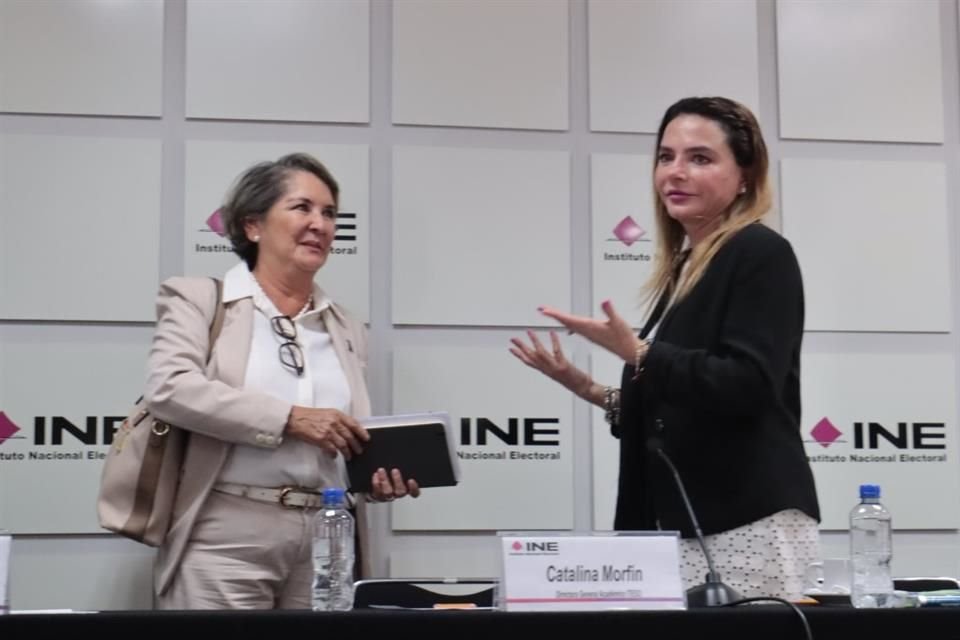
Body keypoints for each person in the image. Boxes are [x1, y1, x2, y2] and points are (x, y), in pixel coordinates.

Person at [509, 97, 820, 601]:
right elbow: (682, 400)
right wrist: (588, 387)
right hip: (676, 522)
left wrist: (640, 352)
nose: (675, 172)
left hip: (741, 520)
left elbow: (748, 383)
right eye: (665, 157)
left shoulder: (760, 253)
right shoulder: (687, 266)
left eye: (700, 158)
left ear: (745, 175)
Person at [144, 152, 419, 609]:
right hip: (226, 531)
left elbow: (342, 437)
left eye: (329, 213)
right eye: (302, 208)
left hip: (329, 535)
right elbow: (170, 388)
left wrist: (374, 479)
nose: (321, 224)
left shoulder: (347, 326)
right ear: (253, 226)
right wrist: (290, 418)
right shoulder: (198, 298)